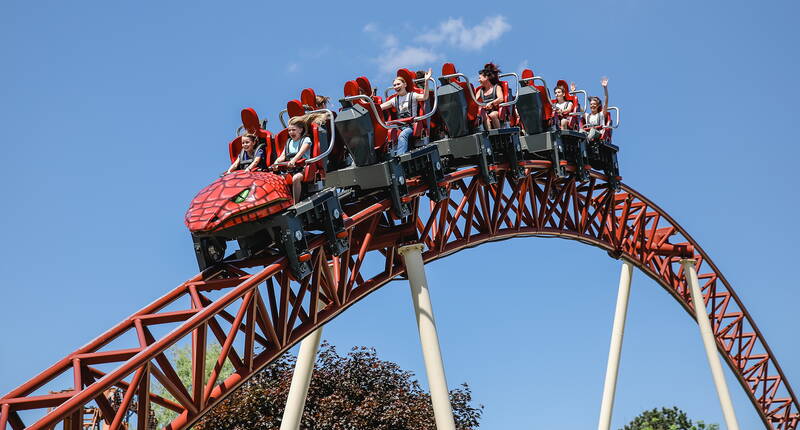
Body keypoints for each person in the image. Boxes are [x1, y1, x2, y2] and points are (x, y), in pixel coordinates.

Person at [379, 68, 433, 155]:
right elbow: (379, 108)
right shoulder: (394, 100)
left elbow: (425, 97)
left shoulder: (413, 95)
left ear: (405, 84)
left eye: (398, 84)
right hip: (400, 125)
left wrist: (426, 81)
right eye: (394, 85)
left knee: (403, 134)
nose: (396, 87)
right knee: (388, 134)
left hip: (412, 125)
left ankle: (400, 157)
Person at [274, 116, 312, 203]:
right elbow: (282, 156)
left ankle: (295, 202)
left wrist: (294, 160)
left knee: (296, 178)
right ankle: (284, 201)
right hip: (291, 169)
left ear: (301, 130)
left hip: (303, 169)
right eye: (289, 130)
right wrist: (276, 163)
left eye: (293, 130)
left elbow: (300, 153)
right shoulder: (289, 142)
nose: (291, 132)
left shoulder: (306, 140)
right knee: (277, 179)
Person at [475, 63, 505, 130]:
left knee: (493, 115)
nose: (478, 80)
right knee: (484, 116)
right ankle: (489, 134)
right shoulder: (480, 91)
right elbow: (474, 101)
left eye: (480, 78)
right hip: (485, 112)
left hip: (495, 110)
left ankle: (499, 134)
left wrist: (491, 103)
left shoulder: (497, 87)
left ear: (486, 77)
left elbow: (501, 98)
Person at [583, 77, 610, 142]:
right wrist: (574, 93)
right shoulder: (587, 115)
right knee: (581, 130)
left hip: (598, 133)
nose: (592, 106)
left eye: (594, 104)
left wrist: (605, 88)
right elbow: (578, 108)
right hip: (588, 133)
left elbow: (606, 101)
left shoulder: (601, 114)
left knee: (592, 130)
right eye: (591, 104)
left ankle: (586, 142)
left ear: (598, 106)